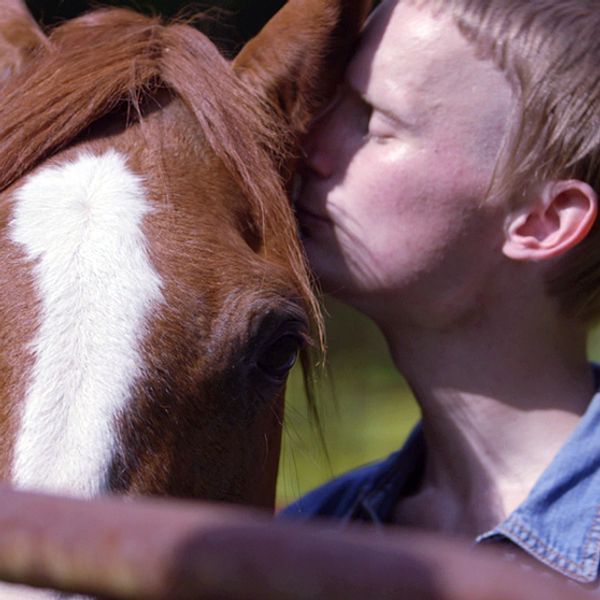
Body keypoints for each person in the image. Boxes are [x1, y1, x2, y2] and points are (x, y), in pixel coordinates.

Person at [281, 0, 600, 586]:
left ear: (543, 220)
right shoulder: (302, 542)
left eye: (373, 121)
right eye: (330, 104)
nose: (309, 145)